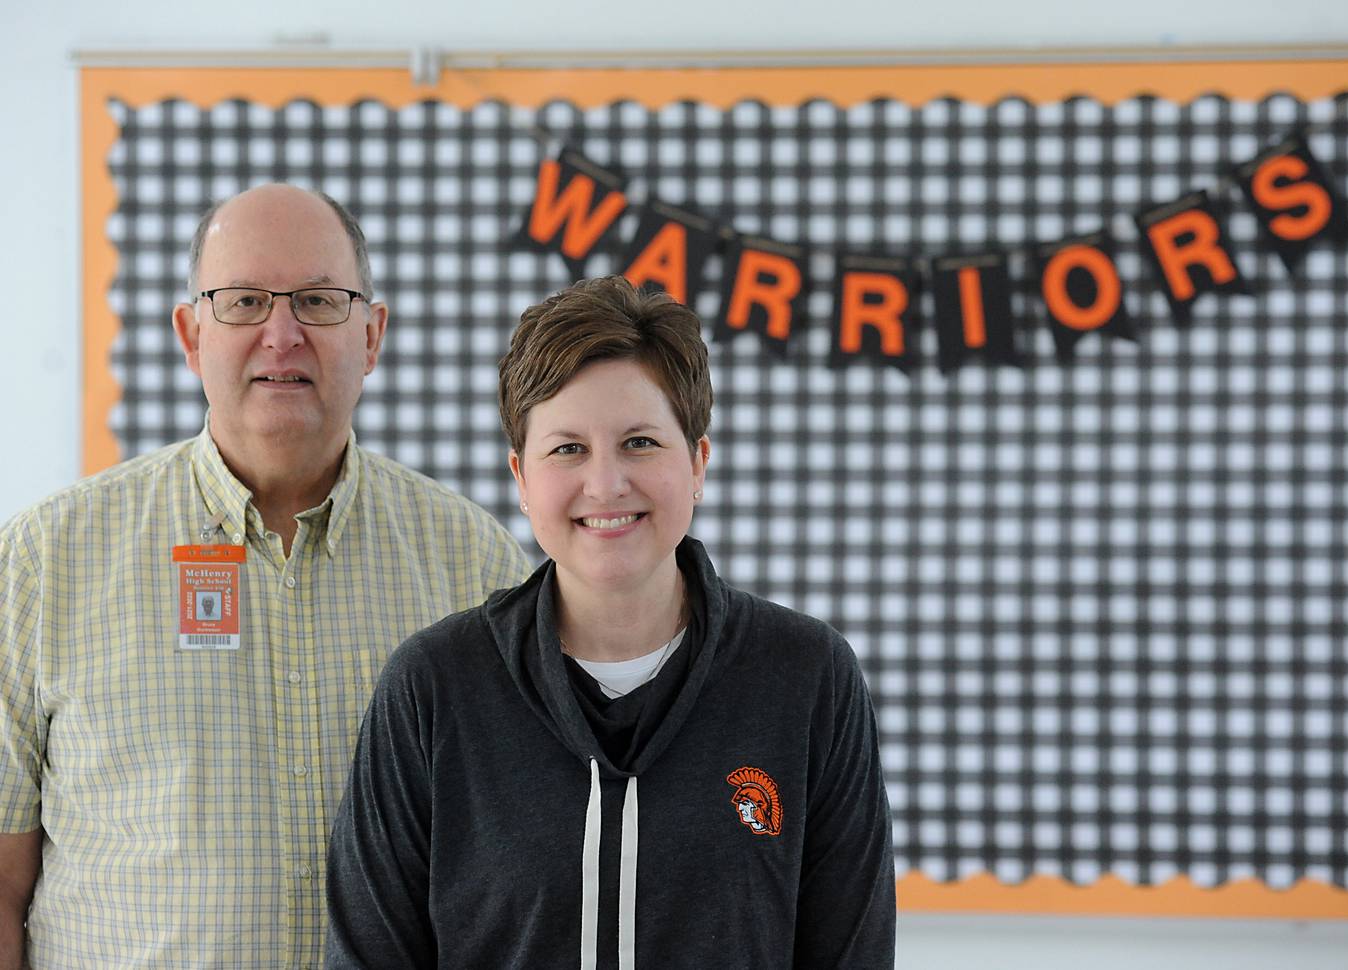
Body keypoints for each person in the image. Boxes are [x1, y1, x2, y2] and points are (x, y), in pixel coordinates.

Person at [0, 184, 531, 969]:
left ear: (372, 335)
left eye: (319, 301)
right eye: (244, 301)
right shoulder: (47, 558)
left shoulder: (475, 568)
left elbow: (520, 871)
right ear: (191, 334)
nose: (281, 335)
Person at [325, 276, 895, 969]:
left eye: (640, 442)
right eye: (568, 449)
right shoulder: (434, 688)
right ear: (521, 479)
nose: (605, 484)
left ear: (698, 464)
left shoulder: (806, 678)